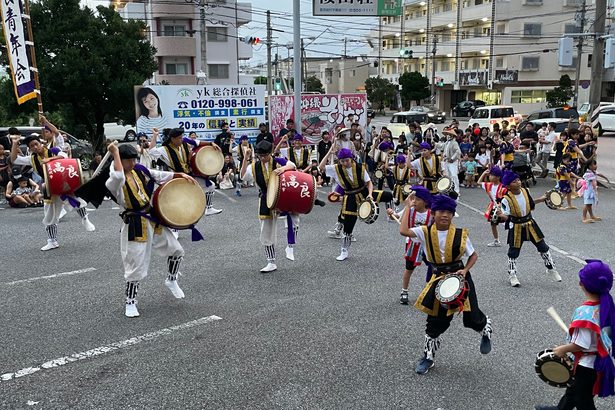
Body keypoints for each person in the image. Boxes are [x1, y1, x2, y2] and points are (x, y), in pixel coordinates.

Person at [399, 194, 492, 375]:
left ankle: (485, 328)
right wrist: (408, 207)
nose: (445, 215)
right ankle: (428, 357)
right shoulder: (424, 231)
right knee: (435, 322)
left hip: (460, 275)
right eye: (441, 211)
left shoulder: (460, 234)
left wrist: (465, 271)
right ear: (433, 213)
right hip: (438, 278)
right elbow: (404, 231)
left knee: (471, 318)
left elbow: (473, 255)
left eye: (449, 212)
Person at [105, 143, 193, 318]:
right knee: (135, 265)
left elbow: (157, 175)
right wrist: (114, 153)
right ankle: (130, 302)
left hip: (151, 219)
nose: (132, 163)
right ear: (120, 161)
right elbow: (117, 176)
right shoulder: (113, 182)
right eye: (128, 160)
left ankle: (171, 279)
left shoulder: (138, 171)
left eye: (133, 159)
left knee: (177, 250)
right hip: (135, 223)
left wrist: (179, 174)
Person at [535, 260, 615, 410]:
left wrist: (562, 350)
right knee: (573, 391)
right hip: (597, 362)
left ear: (581, 284)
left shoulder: (585, 314)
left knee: (583, 401)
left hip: (586, 367)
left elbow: (580, 345)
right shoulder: (606, 306)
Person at [9, 134, 95, 250]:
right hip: (50, 187)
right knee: (49, 215)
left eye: (36, 144)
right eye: (32, 146)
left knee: (76, 201)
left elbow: (64, 156)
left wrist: (49, 159)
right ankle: (52, 241)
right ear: (29, 149)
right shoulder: (32, 159)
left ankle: (85, 218)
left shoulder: (53, 150)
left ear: (41, 143)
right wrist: (14, 143)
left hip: (63, 184)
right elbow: (14, 159)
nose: (35, 147)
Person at [319, 145, 394, 261]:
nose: (344, 163)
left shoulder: (360, 167)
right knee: (348, 225)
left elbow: (369, 183)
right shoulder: (336, 168)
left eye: (347, 160)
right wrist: (330, 152)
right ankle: (344, 251)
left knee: (388, 195)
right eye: (342, 161)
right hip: (350, 196)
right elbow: (321, 167)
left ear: (352, 158)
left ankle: (391, 215)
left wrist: (369, 194)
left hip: (364, 192)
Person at [240, 141, 298, 272]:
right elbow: (243, 176)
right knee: (266, 231)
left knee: (294, 219)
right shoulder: (255, 167)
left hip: (282, 197)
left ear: (270, 153)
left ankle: (290, 246)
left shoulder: (278, 161)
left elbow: (292, 165)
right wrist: (245, 157)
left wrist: (283, 169)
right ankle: (271, 262)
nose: (262, 158)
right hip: (265, 199)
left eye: (265, 155)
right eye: (260, 155)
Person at [497, 170, 561, 287]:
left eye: (518, 180)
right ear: (508, 186)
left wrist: (542, 199)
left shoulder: (526, 191)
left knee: (543, 247)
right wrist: (501, 215)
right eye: (514, 181)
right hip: (516, 226)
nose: (518, 182)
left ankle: (551, 269)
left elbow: (529, 203)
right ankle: (512, 275)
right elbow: (506, 216)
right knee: (513, 252)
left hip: (530, 223)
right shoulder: (506, 199)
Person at [149, 127, 222, 216]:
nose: (181, 139)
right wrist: (155, 136)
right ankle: (174, 223)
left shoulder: (185, 142)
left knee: (211, 186)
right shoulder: (165, 149)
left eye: (182, 137)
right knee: (178, 201)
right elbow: (151, 151)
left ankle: (208, 208)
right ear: (172, 139)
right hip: (176, 178)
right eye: (179, 138)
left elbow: (198, 143)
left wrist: (211, 143)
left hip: (189, 175)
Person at [387, 185, 433, 305]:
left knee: (433, 267)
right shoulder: (410, 210)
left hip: (427, 245)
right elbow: (396, 217)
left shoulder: (431, 213)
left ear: (425, 201)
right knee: (409, 269)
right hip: (413, 244)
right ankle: (404, 291)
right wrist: (391, 214)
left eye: (417, 199)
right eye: (413, 198)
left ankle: (430, 291)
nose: (414, 201)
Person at [477, 166, 507, 247]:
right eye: (489, 175)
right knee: (493, 224)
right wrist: (483, 174)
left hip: (503, 206)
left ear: (498, 177)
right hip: (494, 207)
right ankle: (496, 240)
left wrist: (501, 205)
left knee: (509, 222)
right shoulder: (489, 185)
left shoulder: (503, 187)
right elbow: (478, 182)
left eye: (491, 175)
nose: (489, 176)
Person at [578, 159, 601, 223]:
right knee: (587, 204)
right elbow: (593, 182)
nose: (596, 166)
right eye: (594, 164)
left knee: (589, 204)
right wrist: (595, 189)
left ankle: (592, 216)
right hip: (588, 192)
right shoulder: (589, 174)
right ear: (590, 166)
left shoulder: (592, 172)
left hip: (591, 191)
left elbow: (599, 174)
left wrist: (606, 178)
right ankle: (584, 218)